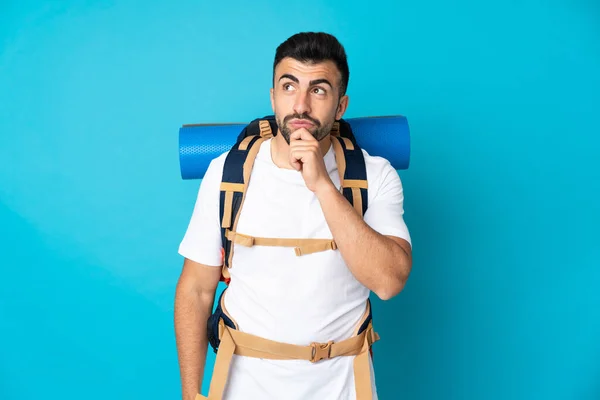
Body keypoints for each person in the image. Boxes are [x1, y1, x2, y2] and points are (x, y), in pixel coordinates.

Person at [174, 32, 413, 400]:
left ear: (340, 106)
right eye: (289, 86)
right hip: (243, 387)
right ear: (273, 96)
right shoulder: (226, 173)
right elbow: (195, 289)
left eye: (318, 90)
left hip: (343, 388)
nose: (300, 105)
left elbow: (388, 282)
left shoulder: (374, 175)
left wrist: (322, 186)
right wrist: (191, 395)